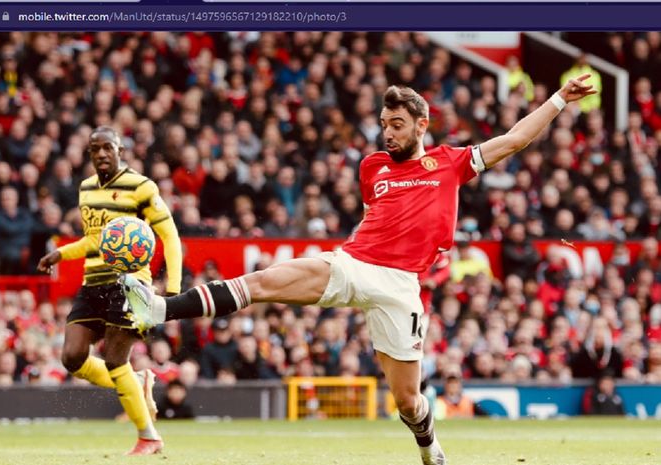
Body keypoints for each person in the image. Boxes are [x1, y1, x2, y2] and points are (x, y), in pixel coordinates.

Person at [121, 77, 595, 465]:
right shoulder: (372, 167)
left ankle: (429, 447)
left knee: (408, 402)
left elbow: (514, 140)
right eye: (384, 124)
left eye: (398, 125)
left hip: (400, 287)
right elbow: (377, 218)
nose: (388, 133)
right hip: (352, 263)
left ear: (422, 125)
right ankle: (161, 307)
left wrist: (557, 100)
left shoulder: (451, 162)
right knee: (264, 281)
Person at [37, 126, 182, 455]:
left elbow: (169, 235)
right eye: (95, 149)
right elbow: (97, 240)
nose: (102, 154)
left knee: (116, 360)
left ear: (120, 150)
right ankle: (139, 382)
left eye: (108, 148)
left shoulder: (142, 187)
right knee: (72, 358)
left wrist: (172, 286)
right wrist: (61, 253)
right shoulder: (86, 189)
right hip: (93, 282)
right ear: (89, 154)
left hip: (130, 283)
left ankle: (148, 436)